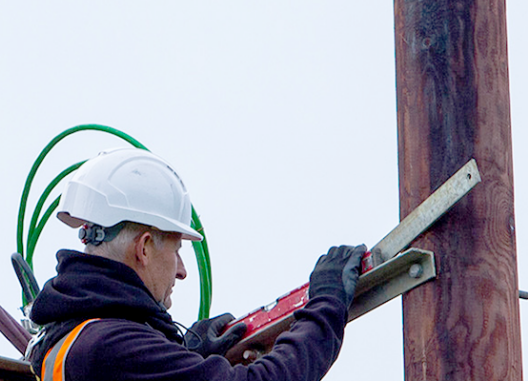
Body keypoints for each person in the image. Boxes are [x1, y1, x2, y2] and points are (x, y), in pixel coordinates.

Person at [25, 147, 365, 381]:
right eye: (176, 250)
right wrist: (327, 307)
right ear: (143, 249)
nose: (182, 270)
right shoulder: (110, 347)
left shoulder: (66, 340)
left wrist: (182, 353)